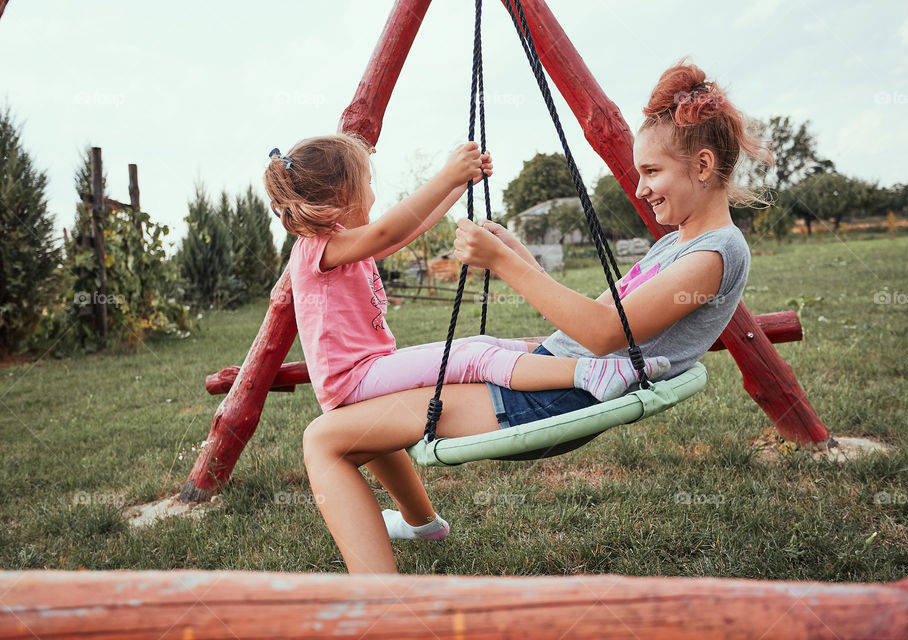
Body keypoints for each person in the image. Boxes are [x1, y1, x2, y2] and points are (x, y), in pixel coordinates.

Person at [300, 59, 774, 573]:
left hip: (558, 399)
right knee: (351, 423)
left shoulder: (713, 254)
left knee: (323, 439)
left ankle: (382, 603)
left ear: (703, 167)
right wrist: (521, 255)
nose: (640, 189)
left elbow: (605, 332)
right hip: (556, 379)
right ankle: (421, 528)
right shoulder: (680, 244)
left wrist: (503, 264)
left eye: (652, 172)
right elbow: (596, 320)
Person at [264, 135, 672, 541]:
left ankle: (422, 526)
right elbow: (390, 231)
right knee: (472, 353)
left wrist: (460, 183)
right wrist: (447, 176)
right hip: (352, 380)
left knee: (486, 346)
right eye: (368, 183)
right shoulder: (318, 247)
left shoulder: (341, 241)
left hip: (366, 371)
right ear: (343, 192)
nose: (373, 194)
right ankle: (590, 373)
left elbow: (408, 230)